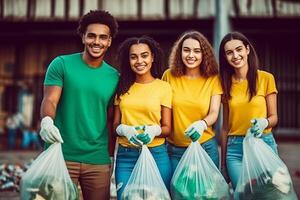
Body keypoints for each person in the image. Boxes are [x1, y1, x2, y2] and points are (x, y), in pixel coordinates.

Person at [39, 10, 119, 200]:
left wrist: (110, 157)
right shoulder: (61, 64)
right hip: (61, 154)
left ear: (109, 41)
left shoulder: (115, 77)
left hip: (98, 159)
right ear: (83, 37)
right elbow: (50, 99)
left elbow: (110, 119)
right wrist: (47, 121)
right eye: (91, 36)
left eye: (102, 37)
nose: (96, 42)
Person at [113, 36, 172, 199]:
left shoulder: (164, 87)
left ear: (152, 57)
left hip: (157, 154)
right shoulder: (121, 85)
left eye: (144, 55)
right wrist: (124, 130)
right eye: (134, 57)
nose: (139, 61)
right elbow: (115, 124)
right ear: (129, 60)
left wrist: (153, 130)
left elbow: (167, 127)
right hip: (126, 157)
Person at [219, 31, 278, 189]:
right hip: (235, 150)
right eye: (229, 52)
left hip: (263, 142)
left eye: (239, 49)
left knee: (268, 193)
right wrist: (223, 163)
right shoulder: (224, 83)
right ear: (225, 57)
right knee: (243, 193)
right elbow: (225, 127)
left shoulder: (266, 78)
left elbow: (274, 117)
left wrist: (264, 122)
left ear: (247, 50)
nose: (235, 56)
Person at [162, 30, 222, 173]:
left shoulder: (213, 78)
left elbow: (214, 113)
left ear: (204, 54)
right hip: (174, 151)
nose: (191, 55)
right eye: (186, 50)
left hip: (205, 147)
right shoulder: (168, 75)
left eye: (197, 51)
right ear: (179, 52)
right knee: (178, 194)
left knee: (207, 195)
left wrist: (202, 123)